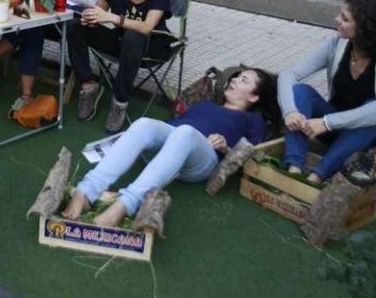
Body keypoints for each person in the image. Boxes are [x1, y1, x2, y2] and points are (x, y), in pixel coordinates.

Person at [61, 68, 279, 227]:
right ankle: (86, 191)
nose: (234, 80)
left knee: (185, 132)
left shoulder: (252, 120)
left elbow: (250, 158)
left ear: (254, 96)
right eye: (236, 76)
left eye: (244, 80)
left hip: (201, 160)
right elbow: (171, 127)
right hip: (170, 148)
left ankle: (126, 205)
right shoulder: (205, 104)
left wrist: (226, 148)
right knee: (144, 123)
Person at [278, 0, 376, 184]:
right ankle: (294, 169)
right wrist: (290, 112)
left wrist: (327, 122)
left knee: (374, 106)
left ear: (364, 27)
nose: (337, 19)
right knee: (301, 91)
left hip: (375, 138)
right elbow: (289, 75)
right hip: (338, 131)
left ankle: (316, 178)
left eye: (345, 19)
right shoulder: (335, 44)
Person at [68, 0, 172, 133]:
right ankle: (89, 85)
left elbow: (147, 27)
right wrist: (88, 18)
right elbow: (97, 13)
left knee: (134, 35)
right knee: (75, 26)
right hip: (122, 43)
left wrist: (113, 18)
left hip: (154, 47)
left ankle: (120, 101)